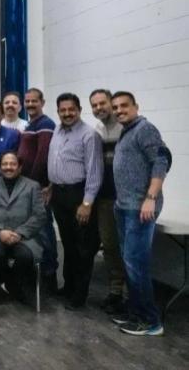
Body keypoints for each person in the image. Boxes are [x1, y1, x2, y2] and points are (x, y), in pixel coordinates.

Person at [111, 91, 171, 336]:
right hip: (124, 206)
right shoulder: (127, 132)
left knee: (136, 264)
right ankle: (135, 312)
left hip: (140, 208)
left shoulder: (145, 129)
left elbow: (161, 160)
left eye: (124, 105)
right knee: (129, 262)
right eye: (116, 107)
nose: (119, 110)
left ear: (136, 106)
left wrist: (151, 197)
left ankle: (151, 321)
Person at [48, 92, 103, 310]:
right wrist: (51, 186)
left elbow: (94, 172)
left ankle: (79, 295)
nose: (67, 113)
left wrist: (87, 203)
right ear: (58, 112)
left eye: (71, 109)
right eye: (63, 110)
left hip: (79, 195)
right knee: (68, 244)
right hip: (59, 195)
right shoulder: (57, 130)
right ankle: (69, 286)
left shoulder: (89, 135)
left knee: (83, 248)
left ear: (79, 110)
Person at [0, 151, 46, 306]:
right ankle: (15, 288)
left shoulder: (33, 186)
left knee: (25, 256)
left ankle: (6, 288)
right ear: (0, 167)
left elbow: (39, 215)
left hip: (24, 237)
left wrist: (20, 233)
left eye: (13, 164)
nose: (8, 167)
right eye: (5, 164)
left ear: (20, 167)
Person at [17, 87, 58, 292]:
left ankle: (49, 277)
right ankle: (38, 275)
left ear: (42, 102)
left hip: (37, 188)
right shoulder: (31, 124)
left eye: (34, 101)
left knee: (44, 233)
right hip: (29, 187)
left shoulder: (46, 124)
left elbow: (43, 156)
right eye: (27, 101)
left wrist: (32, 184)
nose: (30, 104)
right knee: (34, 232)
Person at [89, 88, 126, 314]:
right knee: (110, 247)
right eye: (94, 105)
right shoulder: (98, 129)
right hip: (104, 198)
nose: (99, 108)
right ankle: (116, 293)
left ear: (111, 102)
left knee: (128, 249)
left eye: (102, 103)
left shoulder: (128, 126)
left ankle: (132, 296)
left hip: (127, 199)